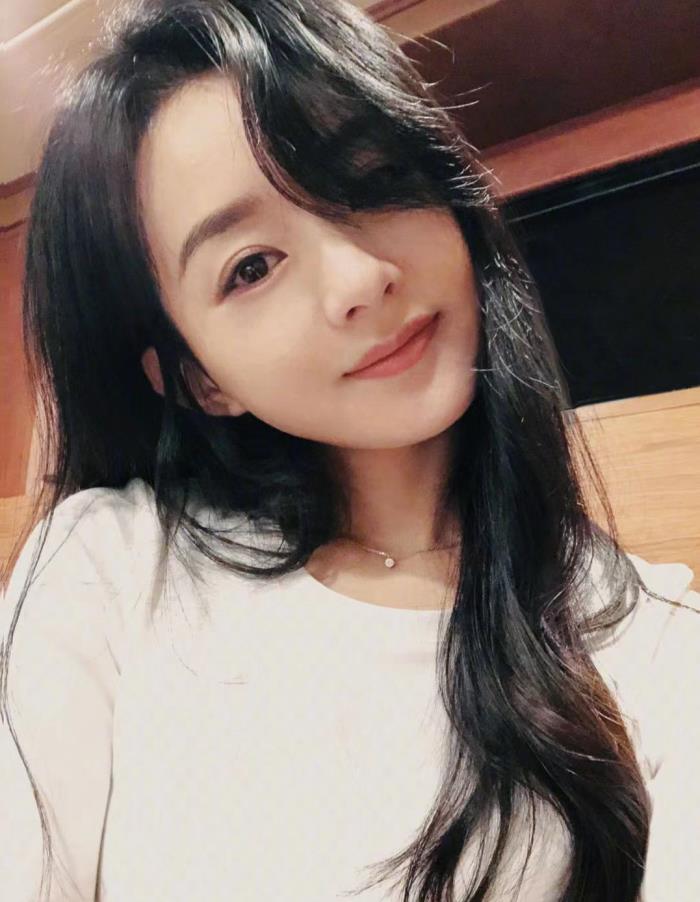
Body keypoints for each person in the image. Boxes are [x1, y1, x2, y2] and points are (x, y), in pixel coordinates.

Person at [0, 1, 698, 899]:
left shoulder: (639, 629)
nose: (361, 278)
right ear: (197, 378)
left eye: (369, 179)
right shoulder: (115, 566)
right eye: (252, 267)